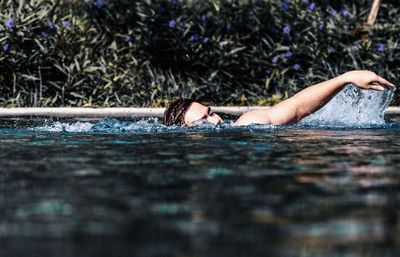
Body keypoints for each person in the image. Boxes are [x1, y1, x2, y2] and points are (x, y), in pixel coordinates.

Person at [163, 70, 395, 127]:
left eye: (210, 112)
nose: (215, 120)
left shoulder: (246, 123)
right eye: (203, 121)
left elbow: (295, 106)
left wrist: (346, 78)